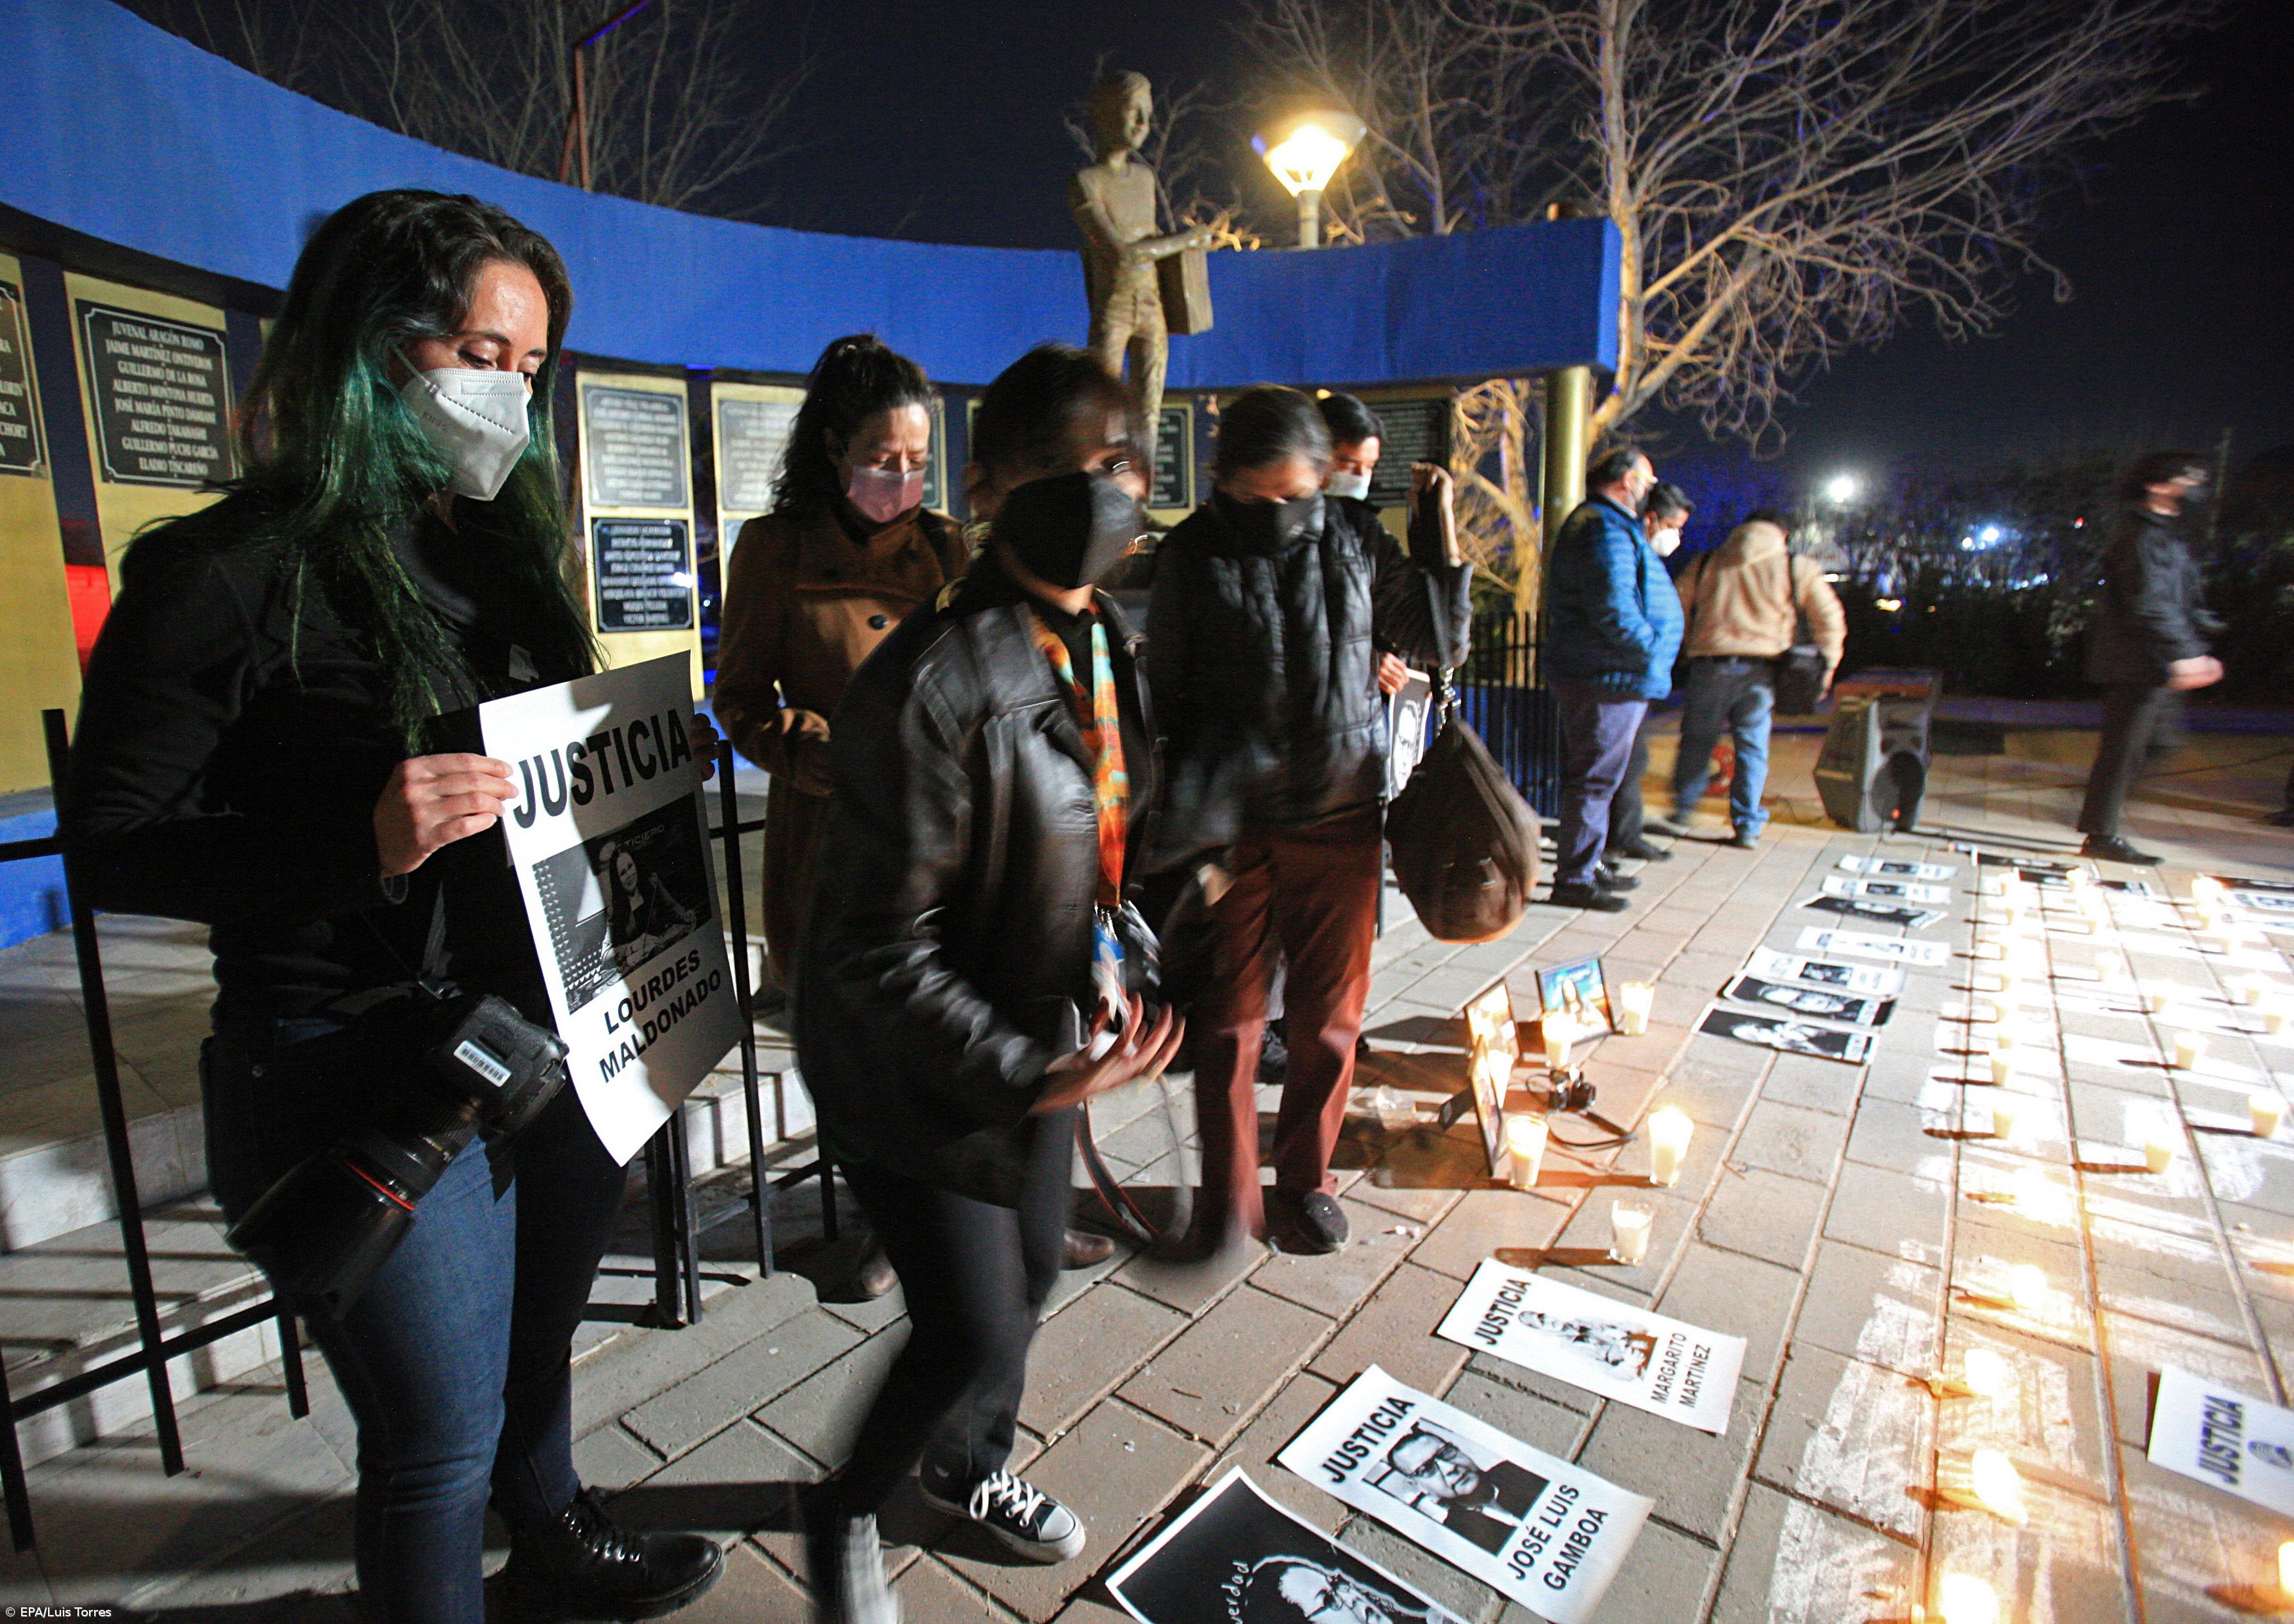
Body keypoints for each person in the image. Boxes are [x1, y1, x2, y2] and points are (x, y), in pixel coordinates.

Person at [62, 190, 722, 1624]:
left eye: (531, 364)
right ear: (370, 344)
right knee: (433, 1440)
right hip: (348, 1064)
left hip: (544, 1036)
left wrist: (647, 773)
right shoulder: (225, 571)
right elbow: (113, 848)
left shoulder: (499, 560)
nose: (507, 389)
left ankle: (548, 1534)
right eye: (475, 347)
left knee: (533, 1348)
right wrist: (355, 833)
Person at [792, 345, 1185, 1623]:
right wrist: (1031, 1067)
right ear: (987, 485)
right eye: (1058, 468)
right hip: (914, 1073)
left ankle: (966, 1467)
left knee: (1025, 1288)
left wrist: (1128, 959)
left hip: (1037, 1045)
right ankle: (846, 1505)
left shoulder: (1097, 642)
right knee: (966, 1321)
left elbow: (1100, 839)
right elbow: (870, 954)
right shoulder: (928, 681)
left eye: (1117, 464)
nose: (1096, 491)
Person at [1150, 387, 1471, 1259]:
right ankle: (1226, 1189)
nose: (1282, 514)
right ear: (1225, 480)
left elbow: (1443, 637)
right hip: (1237, 826)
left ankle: (1306, 1182)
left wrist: (1439, 533)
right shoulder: (1190, 553)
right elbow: (1166, 697)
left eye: (1300, 494)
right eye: (1262, 495)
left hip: (1340, 812)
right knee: (1230, 1020)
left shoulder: (1354, 538)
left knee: (1330, 1016)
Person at [1541, 448, 1683, 912]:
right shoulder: (1604, 527)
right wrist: (1649, 648)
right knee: (1594, 778)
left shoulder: (1610, 525)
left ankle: (1589, 863)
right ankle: (1575, 878)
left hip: (1611, 670)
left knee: (1599, 777)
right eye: (1648, 477)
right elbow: (1613, 604)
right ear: (1627, 479)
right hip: (1607, 673)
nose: (1651, 486)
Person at [1655, 507, 1845, 850]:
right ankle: (1746, 825)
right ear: (1783, 534)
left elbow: (1675, 606)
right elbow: (1829, 618)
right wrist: (1827, 665)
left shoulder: (1707, 562)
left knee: (1697, 739)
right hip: (1763, 671)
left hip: (1709, 664)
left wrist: (1682, 647)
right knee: (1752, 747)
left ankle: (1683, 809)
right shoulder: (1794, 566)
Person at [2075, 450, 2222, 864]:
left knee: (2157, 744)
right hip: (2136, 662)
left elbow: (2179, 597)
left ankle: (2101, 805)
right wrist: (2185, 656)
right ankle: (2100, 830)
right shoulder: (2139, 536)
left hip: (2155, 663)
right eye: (2188, 479)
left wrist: (2199, 640)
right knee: (2124, 750)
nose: (2195, 489)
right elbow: (2149, 603)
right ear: (2158, 485)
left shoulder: (2163, 535)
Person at [1605, 482, 1694, 865]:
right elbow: (1621, 610)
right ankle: (1610, 843)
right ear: (1652, 518)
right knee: (1615, 765)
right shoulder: (1627, 549)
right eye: (1675, 525)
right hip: (1622, 674)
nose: (1678, 536)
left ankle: (1624, 833)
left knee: (1631, 761)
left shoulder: (1640, 552)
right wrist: (1649, 647)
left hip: (1636, 673)